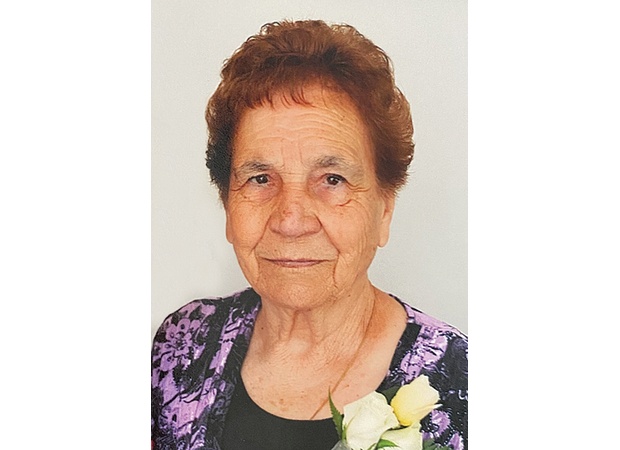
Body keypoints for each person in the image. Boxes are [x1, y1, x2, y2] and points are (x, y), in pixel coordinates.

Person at [151, 20, 467, 450]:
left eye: (332, 180)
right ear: (227, 204)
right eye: (260, 179)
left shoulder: (464, 388)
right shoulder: (181, 346)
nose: (291, 220)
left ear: (384, 208)